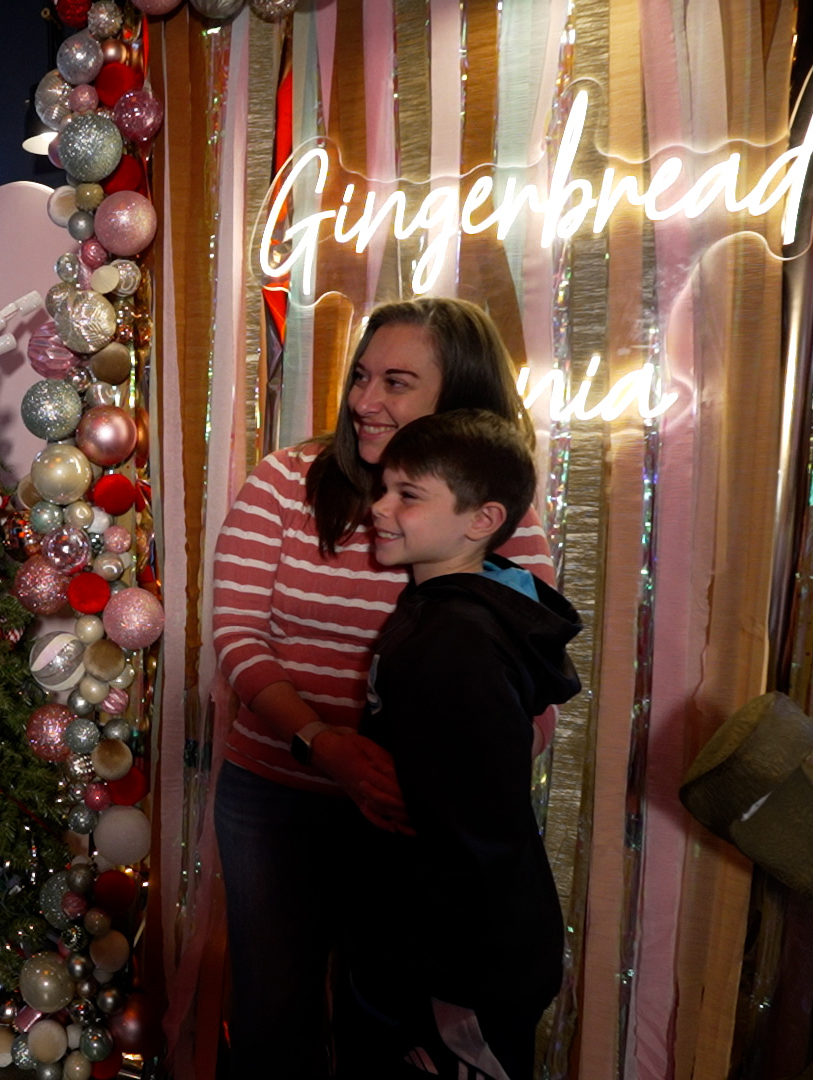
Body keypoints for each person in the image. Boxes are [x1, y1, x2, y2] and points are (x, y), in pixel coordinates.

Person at [208, 297, 554, 1078]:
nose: (366, 401)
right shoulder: (285, 481)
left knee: (391, 1030)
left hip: (411, 820)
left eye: (397, 382)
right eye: (362, 377)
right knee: (274, 1015)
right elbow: (236, 635)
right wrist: (324, 742)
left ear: (457, 398)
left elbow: (529, 682)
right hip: (277, 792)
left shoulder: (499, 511)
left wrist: (453, 786)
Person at [353, 409, 581, 1079]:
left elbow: (477, 835)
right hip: (447, 949)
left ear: (481, 520)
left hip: (460, 968)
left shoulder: (454, 644)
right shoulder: (446, 611)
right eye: (384, 487)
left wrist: (448, 978)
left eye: (408, 495)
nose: (380, 508)